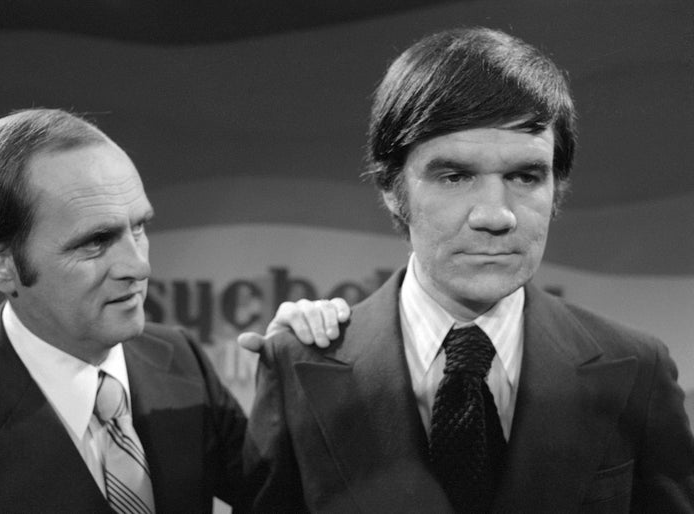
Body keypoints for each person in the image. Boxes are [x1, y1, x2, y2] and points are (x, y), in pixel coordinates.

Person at [241, 27, 694, 512]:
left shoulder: (637, 369)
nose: (495, 215)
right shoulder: (298, 368)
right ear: (392, 187)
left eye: (525, 176)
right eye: (455, 177)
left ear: (556, 188)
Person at [0, 108, 348, 513]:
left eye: (139, 227)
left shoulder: (179, 359)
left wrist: (292, 378)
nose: (139, 266)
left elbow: (274, 500)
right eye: (96, 241)